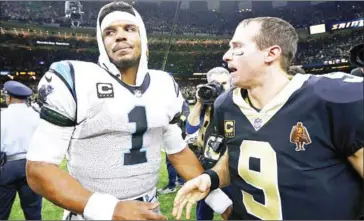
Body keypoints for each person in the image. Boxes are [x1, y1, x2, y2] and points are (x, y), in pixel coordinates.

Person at [25, 2, 207, 220]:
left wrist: (220, 201)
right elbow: (38, 168)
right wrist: (109, 209)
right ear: (102, 43)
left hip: (147, 210)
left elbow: (178, 151)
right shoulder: (75, 78)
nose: (120, 36)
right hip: (90, 214)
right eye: (110, 32)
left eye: (129, 29)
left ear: (143, 38)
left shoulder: (164, 84)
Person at [173, 17, 363, 220]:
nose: (227, 56)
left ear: (271, 53)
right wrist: (211, 178)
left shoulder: (330, 97)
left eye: (237, 47)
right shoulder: (226, 104)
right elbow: (236, 157)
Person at [185, 67, 233, 220]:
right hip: (207, 164)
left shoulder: (237, 102)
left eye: (224, 83)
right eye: (215, 84)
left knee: (234, 209)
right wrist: (200, 102)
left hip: (230, 165)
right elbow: (190, 127)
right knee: (204, 208)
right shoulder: (206, 106)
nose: (219, 87)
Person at [0, 80, 42, 220]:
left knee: (1, 211)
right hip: (31, 165)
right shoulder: (36, 116)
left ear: (9, 98)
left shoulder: (2, 116)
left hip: (7, 166)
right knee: (33, 212)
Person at [158, 99, 189, 194]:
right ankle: (181, 181)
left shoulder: (176, 102)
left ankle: (171, 186)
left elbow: (183, 117)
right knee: (178, 159)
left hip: (175, 134)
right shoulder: (182, 102)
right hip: (180, 133)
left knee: (171, 161)